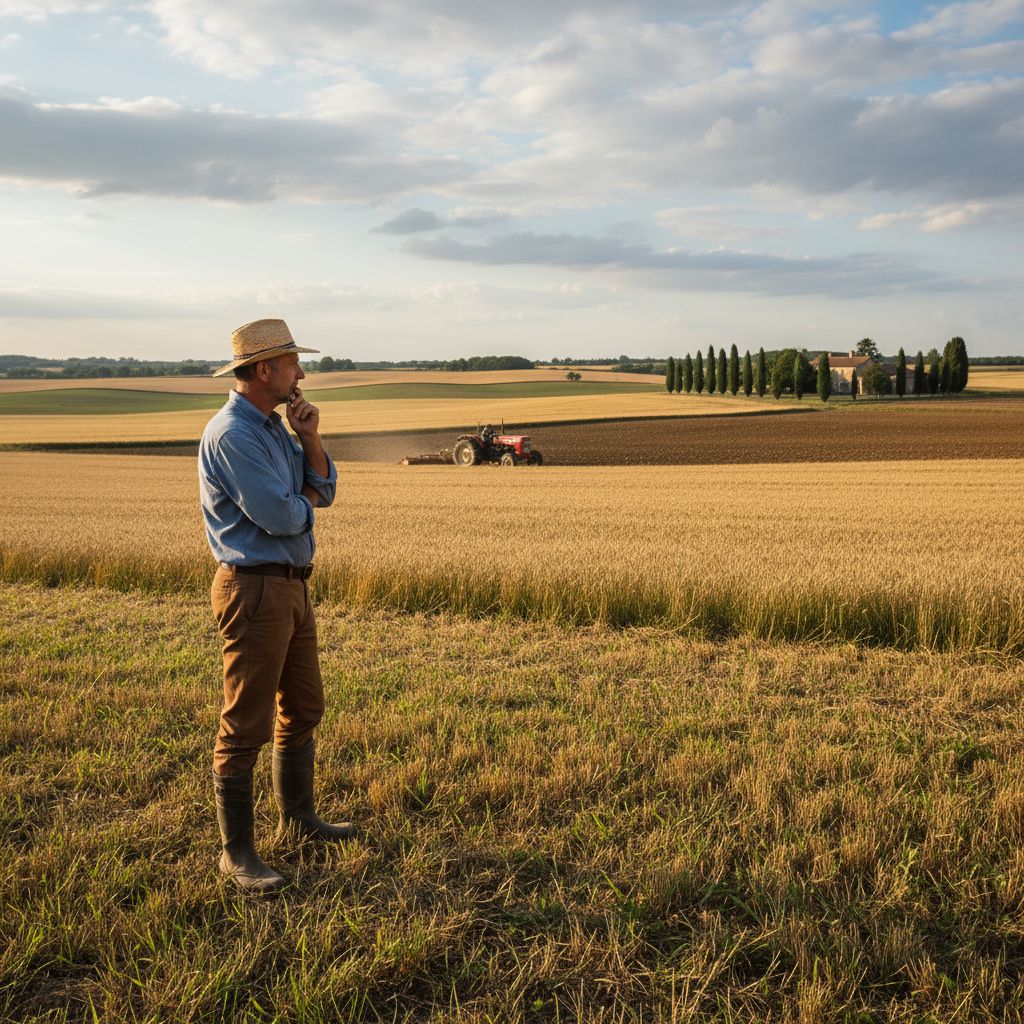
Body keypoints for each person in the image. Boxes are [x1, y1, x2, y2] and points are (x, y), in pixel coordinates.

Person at [198, 318, 352, 895]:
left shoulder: (273, 426)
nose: (301, 373)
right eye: (291, 364)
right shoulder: (232, 434)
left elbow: (325, 489)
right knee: (245, 724)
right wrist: (307, 497)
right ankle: (236, 854)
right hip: (255, 586)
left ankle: (300, 819)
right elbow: (285, 515)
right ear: (265, 371)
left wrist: (310, 438)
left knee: (305, 704)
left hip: (289, 584)